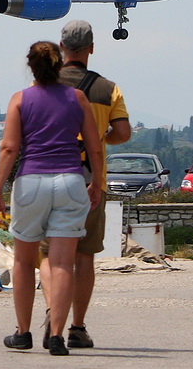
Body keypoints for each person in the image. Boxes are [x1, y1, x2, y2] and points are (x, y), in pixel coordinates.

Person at [0, 40, 104, 356]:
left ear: (32, 67)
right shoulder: (77, 98)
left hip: (31, 182)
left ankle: (23, 332)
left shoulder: (20, 99)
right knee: (62, 263)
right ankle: (56, 335)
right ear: (59, 65)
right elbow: (94, 147)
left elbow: (10, 148)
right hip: (70, 181)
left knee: (25, 262)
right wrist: (94, 183)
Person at [41, 20, 131, 350]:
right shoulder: (107, 89)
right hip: (92, 180)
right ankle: (76, 327)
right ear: (91, 48)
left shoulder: (45, 84)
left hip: (47, 176)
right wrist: (99, 137)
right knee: (84, 256)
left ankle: (54, 312)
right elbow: (122, 133)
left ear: (62, 47)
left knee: (50, 255)